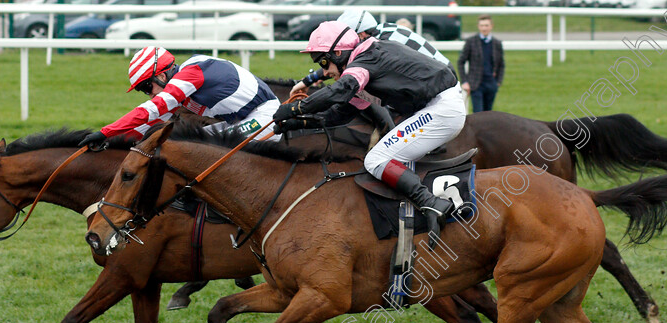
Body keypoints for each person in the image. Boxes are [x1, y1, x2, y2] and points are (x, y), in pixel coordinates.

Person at [273, 21, 466, 243]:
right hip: (437, 107)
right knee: (381, 156)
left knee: (376, 160)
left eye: (324, 62)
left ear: (338, 52)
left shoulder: (365, 61)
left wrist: (295, 108)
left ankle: (432, 204)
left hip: (442, 109)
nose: (324, 72)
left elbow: (339, 90)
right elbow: (338, 115)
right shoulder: (363, 65)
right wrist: (298, 123)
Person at [79, 46, 281, 148]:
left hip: (266, 117)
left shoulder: (192, 73)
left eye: (147, 86)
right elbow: (149, 124)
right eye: (143, 90)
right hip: (244, 119)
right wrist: (113, 141)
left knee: (202, 149)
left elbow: (152, 110)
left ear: (161, 75)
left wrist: (106, 132)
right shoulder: (180, 87)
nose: (150, 93)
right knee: (182, 144)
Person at [289, 9, 456, 98]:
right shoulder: (383, 30)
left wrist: (310, 81)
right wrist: (309, 80)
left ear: (360, 35)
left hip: (442, 88)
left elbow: (347, 62)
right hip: (439, 80)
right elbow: (340, 60)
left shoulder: (380, 44)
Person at [458, 15, 505, 113]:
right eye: (482, 25)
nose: (484, 28)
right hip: (476, 84)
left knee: (488, 113)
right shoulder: (471, 42)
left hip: (491, 83)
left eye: (486, 25)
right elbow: (461, 61)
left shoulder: (497, 43)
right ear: (478, 26)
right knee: (478, 113)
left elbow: (501, 63)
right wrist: (465, 81)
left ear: (491, 26)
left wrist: (498, 81)